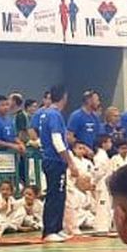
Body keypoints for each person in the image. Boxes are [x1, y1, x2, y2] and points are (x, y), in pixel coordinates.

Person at [36, 85, 83, 243]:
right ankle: (49, 230)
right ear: (64, 97)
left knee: (59, 194)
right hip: (54, 160)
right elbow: (57, 141)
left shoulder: (45, 113)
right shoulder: (54, 115)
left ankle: (56, 228)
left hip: (51, 159)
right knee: (55, 194)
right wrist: (70, 162)